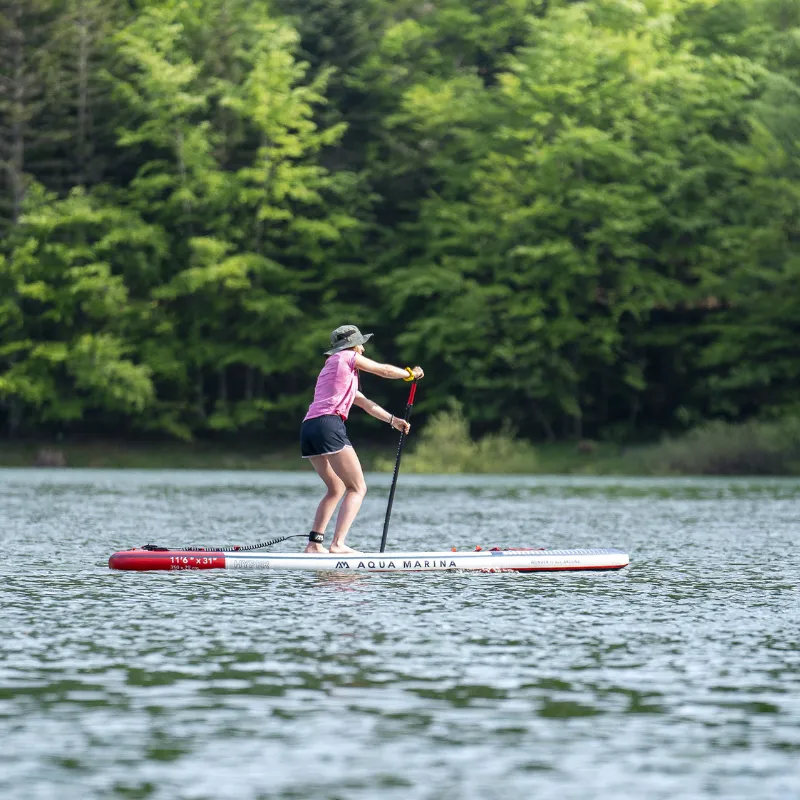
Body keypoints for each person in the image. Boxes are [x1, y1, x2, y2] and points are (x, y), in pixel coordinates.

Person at [300, 325, 424, 554]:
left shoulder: (333, 370)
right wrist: (410, 374)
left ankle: (314, 544)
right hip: (328, 425)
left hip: (309, 427)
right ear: (352, 345)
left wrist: (392, 420)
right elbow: (384, 370)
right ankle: (337, 544)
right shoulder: (347, 357)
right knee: (357, 487)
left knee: (336, 488)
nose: (363, 349)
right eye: (361, 344)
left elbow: (365, 403)